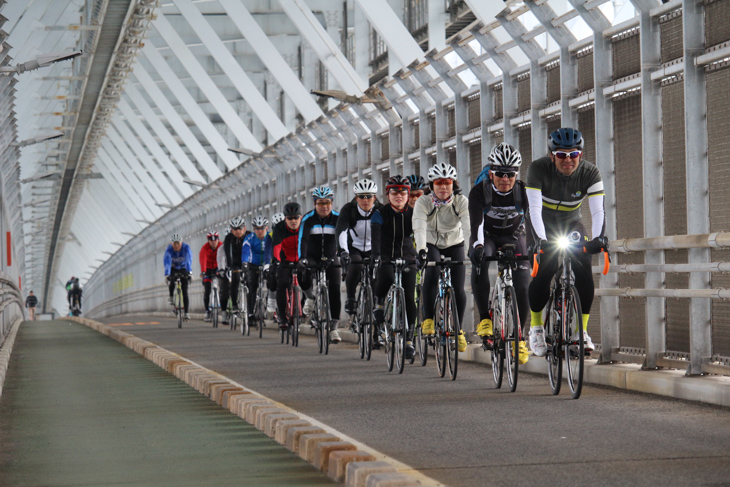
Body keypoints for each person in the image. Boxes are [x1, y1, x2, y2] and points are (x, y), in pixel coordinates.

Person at [526, 127, 607, 356]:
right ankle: (536, 328)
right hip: (542, 223)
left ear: (580, 154)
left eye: (573, 154)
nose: (568, 160)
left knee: (583, 267)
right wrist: (541, 241)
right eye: (561, 155)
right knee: (546, 267)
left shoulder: (591, 173)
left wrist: (599, 238)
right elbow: (533, 208)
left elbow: (599, 210)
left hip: (571, 223)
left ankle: (581, 331)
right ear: (552, 156)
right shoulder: (538, 169)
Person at [469, 143, 530, 364]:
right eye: (500, 174)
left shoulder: (522, 191)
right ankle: (485, 318)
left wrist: (536, 247)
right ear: (491, 172)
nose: (505, 179)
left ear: (516, 174)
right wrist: (477, 246)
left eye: (510, 174)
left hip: (514, 235)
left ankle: (520, 337)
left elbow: (532, 222)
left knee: (523, 282)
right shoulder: (479, 191)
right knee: (481, 261)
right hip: (487, 236)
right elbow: (476, 222)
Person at [413, 162, 470, 353]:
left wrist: (471, 249)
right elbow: (419, 226)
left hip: (455, 243)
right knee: (432, 272)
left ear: (454, 184)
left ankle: (459, 330)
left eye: (447, 182)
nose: (443, 187)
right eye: (438, 183)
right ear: (431, 186)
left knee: (459, 287)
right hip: (431, 243)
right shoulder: (423, 202)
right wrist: (421, 250)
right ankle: (428, 319)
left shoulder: (461, 201)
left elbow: (468, 226)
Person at [371, 175, 417, 356]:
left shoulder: (413, 214)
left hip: (407, 254)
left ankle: (409, 340)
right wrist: (376, 256)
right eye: (394, 192)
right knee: (387, 276)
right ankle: (380, 303)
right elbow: (375, 238)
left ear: (408, 194)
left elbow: (421, 234)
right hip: (385, 255)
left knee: (409, 296)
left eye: (403, 192)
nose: (399, 196)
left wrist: (422, 252)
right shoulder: (379, 213)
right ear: (387, 195)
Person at [298, 186, 342, 343]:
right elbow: (302, 239)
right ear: (315, 203)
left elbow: (344, 237)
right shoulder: (307, 219)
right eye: (320, 203)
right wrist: (301, 258)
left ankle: (334, 327)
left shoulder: (337, 218)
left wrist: (344, 254)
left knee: (335, 288)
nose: (324, 207)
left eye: (327, 203)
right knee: (302, 271)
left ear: (332, 203)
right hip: (312, 256)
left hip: (331, 256)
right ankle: (309, 297)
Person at [336, 178, 382, 316]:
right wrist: (343, 251)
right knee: (356, 266)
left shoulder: (380, 210)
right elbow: (341, 231)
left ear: (374, 197)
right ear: (356, 198)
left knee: (376, 275)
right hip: (354, 247)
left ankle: (376, 305)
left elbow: (386, 233)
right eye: (361, 197)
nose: (365, 200)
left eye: (369, 196)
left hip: (373, 247)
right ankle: (350, 297)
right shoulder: (348, 209)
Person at [272, 202, 303, 328]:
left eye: (296, 217)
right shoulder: (279, 228)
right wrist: (277, 261)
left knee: (307, 281)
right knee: (282, 284)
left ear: (300, 217)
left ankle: (306, 307)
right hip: (285, 260)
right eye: (289, 218)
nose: (293, 221)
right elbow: (276, 247)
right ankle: (283, 317)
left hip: (302, 259)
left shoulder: (305, 226)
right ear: (285, 218)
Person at [217, 216, 249, 322]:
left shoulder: (249, 235)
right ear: (231, 230)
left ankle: (251, 308)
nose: (238, 231)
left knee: (251, 282)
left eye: (240, 228)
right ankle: (234, 305)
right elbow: (227, 253)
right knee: (235, 279)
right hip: (234, 263)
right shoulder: (229, 238)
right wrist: (229, 268)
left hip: (248, 262)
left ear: (244, 228)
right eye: (235, 229)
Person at [242, 216, 272, 323]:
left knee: (272, 284)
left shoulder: (270, 237)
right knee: (252, 287)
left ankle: (271, 306)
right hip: (253, 264)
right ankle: (250, 313)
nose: (260, 231)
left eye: (262, 228)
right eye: (257, 229)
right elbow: (246, 250)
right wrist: (245, 262)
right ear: (254, 229)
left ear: (267, 228)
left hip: (267, 265)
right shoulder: (249, 238)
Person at [164, 233, 193, 319]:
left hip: (183, 267)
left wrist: (189, 273)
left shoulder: (186, 248)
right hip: (173, 268)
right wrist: (167, 274)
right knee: (172, 281)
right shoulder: (169, 250)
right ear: (171, 244)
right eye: (174, 244)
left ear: (181, 243)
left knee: (185, 290)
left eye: (178, 243)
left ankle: (186, 313)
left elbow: (188, 260)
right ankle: (171, 296)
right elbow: (167, 261)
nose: (176, 246)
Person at [199, 231, 222, 322]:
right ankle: (207, 311)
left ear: (218, 239)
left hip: (217, 268)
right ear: (208, 240)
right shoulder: (204, 248)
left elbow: (224, 258)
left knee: (223, 286)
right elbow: (203, 259)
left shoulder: (221, 246)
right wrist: (203, 271)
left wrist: (223, 269)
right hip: (208, 269)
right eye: (211, 240)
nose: (213, 242)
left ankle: (220, 303)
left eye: (215, 239)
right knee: (207, 290)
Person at [267, 212, 286, 313]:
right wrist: (268, 263)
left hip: (287, 260)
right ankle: (271, 298)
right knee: (273, 278)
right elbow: (268, 251)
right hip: (275, 261)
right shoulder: (270, 236)